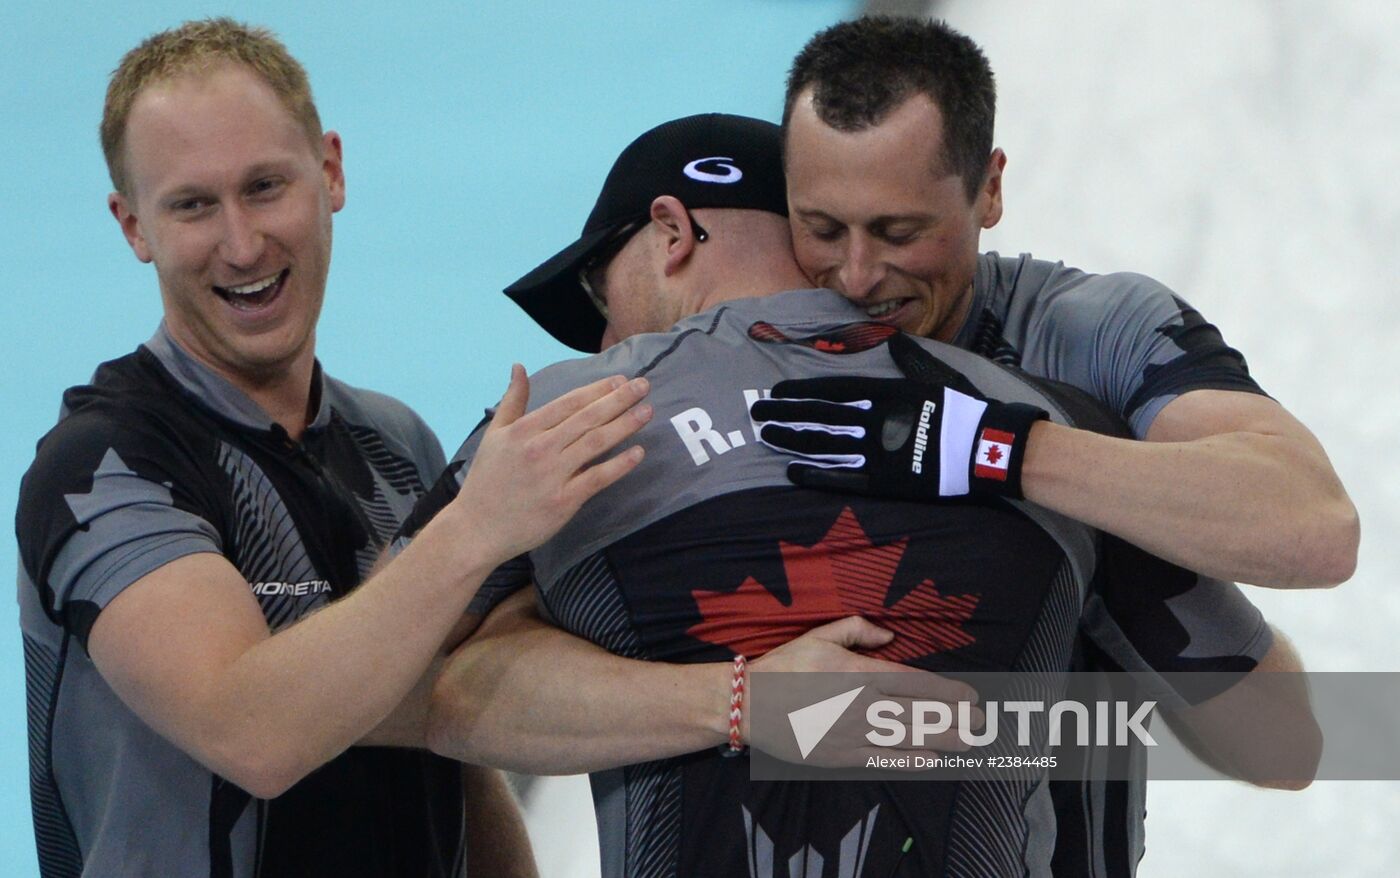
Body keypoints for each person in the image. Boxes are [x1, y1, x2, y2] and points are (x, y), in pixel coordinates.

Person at [423, 114, 1316, 877]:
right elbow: (1284, 742)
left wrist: (712, 696)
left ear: (671, 232)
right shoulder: (1052, 406)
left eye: (597, 293)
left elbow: (386, 697)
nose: (608, 335)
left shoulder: (561, 419)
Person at [15, 18, 651, 877]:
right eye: (193, 205)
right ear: (134, 227)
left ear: (332, 172)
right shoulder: (100, 467)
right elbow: (254, 733)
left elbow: (452, 762)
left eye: (265, 186)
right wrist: (474, 529)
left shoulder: (394, 444)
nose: (242, 244)